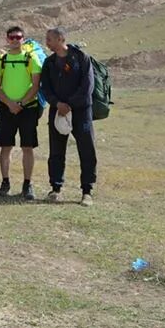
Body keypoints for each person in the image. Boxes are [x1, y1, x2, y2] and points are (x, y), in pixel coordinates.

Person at [40, 27, 98, 207]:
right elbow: (45, 88)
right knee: (56, 151)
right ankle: (55, 188)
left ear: (60, 39)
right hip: (58, 111)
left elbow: (87, 87)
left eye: (49, 39)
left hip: (81, 112)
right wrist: (57, 104)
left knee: (87, 149)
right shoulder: (49, 62)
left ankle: (87, 191)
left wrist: (70, 105)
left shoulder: (81, 58)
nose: (46, 43)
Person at [0, 26, 42, 200]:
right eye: (11, 37)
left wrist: (20, 103)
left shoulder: (31, 58)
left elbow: (36, 86)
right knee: (5, 147)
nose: (15, 40)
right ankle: (5, 182)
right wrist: (10, 104)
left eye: (18, 37)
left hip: (28, 109)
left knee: (27, 147)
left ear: (23, 38)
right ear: (7, 39)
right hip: (7, 109)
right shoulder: (2, 59)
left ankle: (27, 184)